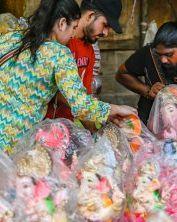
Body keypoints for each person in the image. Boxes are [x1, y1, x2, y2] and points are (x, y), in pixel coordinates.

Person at [0, 0, 136, 154]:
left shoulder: (10, 38)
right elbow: (81, 105)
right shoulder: (60, 54)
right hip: (14, 137)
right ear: (62, 23)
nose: (72, 36)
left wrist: (1, 99)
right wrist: (115, 109)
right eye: (73, 28)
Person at [45, 0, 122, 132]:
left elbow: (84, 99)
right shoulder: (59, 42)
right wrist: (103, 111)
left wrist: (94, 133)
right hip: (43, 126)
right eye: (105, 25)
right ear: (90, 16)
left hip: (64, 128)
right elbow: (59, 93)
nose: (106, 33)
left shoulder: (90, 51)